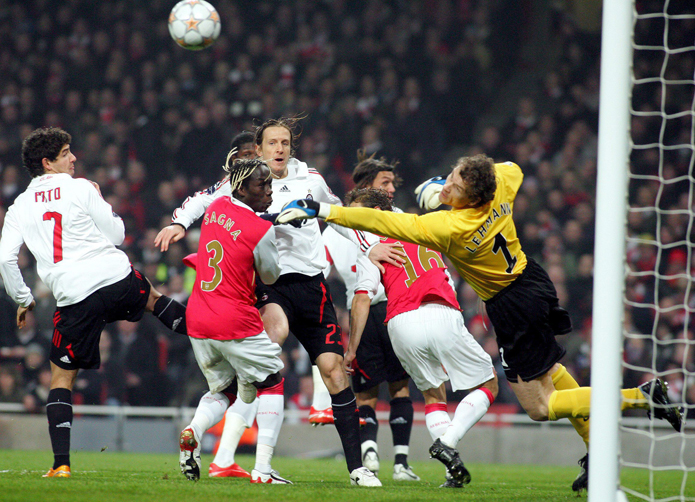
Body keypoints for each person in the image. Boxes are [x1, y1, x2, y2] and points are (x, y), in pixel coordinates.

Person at [278, 153, 684, 492]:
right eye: (451, 174)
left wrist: (323, 210)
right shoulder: (501, 185)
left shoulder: (450, 225)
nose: (447, 185)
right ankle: (596, 455)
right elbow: (513, 168)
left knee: (539, 406)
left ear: (468, 196)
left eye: (453, 183)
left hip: (510, 306)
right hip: (532, 281)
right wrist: (444, 186)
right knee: (552, 373)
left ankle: (640, 396)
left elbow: (389, 224)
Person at [156, 118, 383, 486]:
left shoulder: (311, 179)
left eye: (285, 143)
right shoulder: (245, 182)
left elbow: (339, 216)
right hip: (270, 286)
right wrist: (179, 223)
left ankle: (357, 468)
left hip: (311, 286)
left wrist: (369, 247)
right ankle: (248, 462)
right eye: (272, 143)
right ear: (258, 149)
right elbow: (201, 199)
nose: (280, 149)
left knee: (335, 372)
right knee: (268, 352)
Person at [0, 127, 188, 478]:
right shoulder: (82, 187)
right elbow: (117, 235)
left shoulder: (19, 207)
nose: (74, 158)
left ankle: (61, 464)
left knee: (61, 378)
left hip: (74, 298)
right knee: (154, 299)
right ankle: (217, 335)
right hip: (114, 278)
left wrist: (24, 299)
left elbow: (5, 260)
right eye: (66, 153)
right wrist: (103, 202)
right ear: (47, 162)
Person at [344, 187, 499, 488]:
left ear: (375, 213)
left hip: (400, 323)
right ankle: (448, 442)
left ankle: (451, 470)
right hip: (441, 312)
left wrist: (351, 349)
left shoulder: (373, 251)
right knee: (489, 383)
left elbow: (362, 299)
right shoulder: (425, 228)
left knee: (432, 395)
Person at [178, 157, 290, 484]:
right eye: (261, 185)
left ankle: (194, 429)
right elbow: (270, 275)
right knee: (272, 382)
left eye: (270, 184)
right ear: (241, 189)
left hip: (198, 317)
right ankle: (264, 470)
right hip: (233, 318)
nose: (269, 191)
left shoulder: (215, 209)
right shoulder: (261, 229)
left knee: (225, 389)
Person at [323, 152, 419, 481]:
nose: (392, 189)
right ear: (367, 186)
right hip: (386, 306)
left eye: (392, 183)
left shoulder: (335, 225)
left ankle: (377, 453)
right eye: (385, 182)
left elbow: (321, 268)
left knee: (374, 390)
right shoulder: (395, 218)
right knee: (396, 387)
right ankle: (397, 462)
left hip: (365, 309)